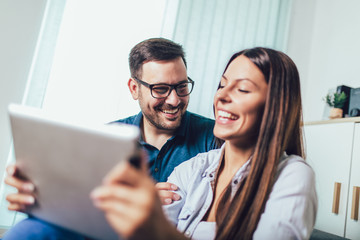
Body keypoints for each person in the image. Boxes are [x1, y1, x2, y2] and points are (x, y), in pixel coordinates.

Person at [90, 47, 318, 240]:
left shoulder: (292, 175)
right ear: (134, 88)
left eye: (243, 89)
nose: (220, 96)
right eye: (222, 85)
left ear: (276, 107)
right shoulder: (193, 168)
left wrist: (156, 225)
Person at [3, 38, 218, 239]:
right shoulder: (107, 139)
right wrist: (40, 191)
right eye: (160, 89)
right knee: (31, 228)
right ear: (134, 89)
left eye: (181, 87)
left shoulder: (214, 138)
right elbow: (83, 200)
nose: (174, 100)